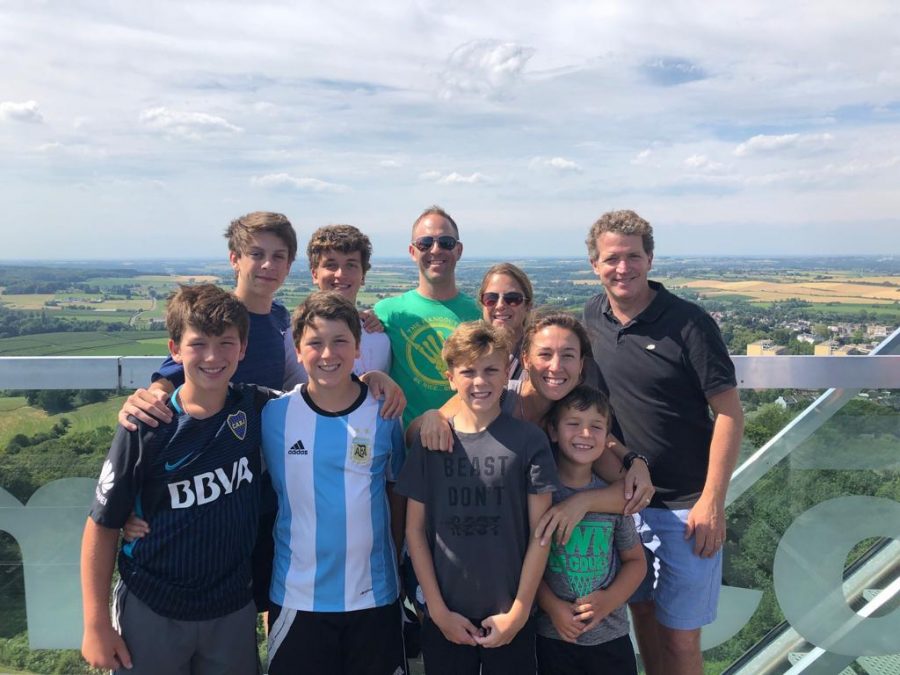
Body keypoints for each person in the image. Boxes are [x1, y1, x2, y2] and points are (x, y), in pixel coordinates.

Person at [80, 284, 276, 674]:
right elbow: (100, 526)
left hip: (232, 609)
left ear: (243, 349)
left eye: (226, 343)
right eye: (198, 344)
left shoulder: (258, 407)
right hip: (153, 605)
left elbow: (318, 399)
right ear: (174, 349)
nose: (212, 356)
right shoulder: (147, 424)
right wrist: (96, 624)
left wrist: (373, 379)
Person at [583, 209, 744, 675]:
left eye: (633, 256)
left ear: (650, 259)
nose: (623, 268)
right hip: (624, 503)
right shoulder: (592, 318)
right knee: (644, 621)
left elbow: (730, 414)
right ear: (595, 264)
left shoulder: (689, 323)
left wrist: (713, 500)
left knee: (680, 642)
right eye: (611, 258)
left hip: (685, 509)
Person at [118, 212, 403, 430]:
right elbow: (177, 368)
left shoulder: (281, 318)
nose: (268, 265)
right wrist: (151, 397)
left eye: (278, 256)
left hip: (267, 452)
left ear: (289, 265)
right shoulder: (217, 317)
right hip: (212, 449)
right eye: (257, 254)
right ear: (235, 259)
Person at [397, 321, 557, 675]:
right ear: (451, 378)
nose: (480, 381)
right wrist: (437, 611)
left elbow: (540, 534)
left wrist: (518, 611)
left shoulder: (530, 442)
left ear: (507, 373)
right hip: (445, 613)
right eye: (468, 371)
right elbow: (415, 532)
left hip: (511, 613)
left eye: (490, 370)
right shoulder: (431, 442)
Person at [261, 291, 407, 675]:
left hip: (374, 596)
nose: (328, 354)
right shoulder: (272, 414)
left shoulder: (385, 412)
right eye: (315, 343)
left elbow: (398, 495)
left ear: (358, 348)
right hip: (297, 598)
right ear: (297, 350)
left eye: (341, 341)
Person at [412, 311, 654, 520]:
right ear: (525, 359)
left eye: (568, 355)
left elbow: (630, 492)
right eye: (545, 355)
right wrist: (433, 416)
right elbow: (412, 435)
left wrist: (582, 502)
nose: (556, 366)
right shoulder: (494, 398)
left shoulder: (575, 419)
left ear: (581, 364)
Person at [535, 385, 646, 675]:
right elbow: (524, 565)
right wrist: (553, 607)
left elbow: (636, 561)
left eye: (596, 426)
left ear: (607, 438)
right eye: (573, 423)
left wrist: (609, 600)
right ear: (553, 431)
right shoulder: (539, 497)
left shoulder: (612, 498)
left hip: (611, 638)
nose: (585, 434)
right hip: (551, 637)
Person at [374, 205, 481, 426]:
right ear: (413, 252)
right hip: (407, 447)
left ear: (458, 250)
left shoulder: (479, 313)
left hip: (466, 443)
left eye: (446, 243)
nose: (435, 250)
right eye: (425, 243)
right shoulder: (387, 312)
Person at [305, 223, 391, 376]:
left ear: (363, 275)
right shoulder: (293, 336)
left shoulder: (380, 340)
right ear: (314, 274)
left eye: (351, 265)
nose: (340, 274)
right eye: (331, 265)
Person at [477, 262, 533, 380]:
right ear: (482, 303)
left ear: (528, 306)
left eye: (512, 299)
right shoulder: (471, 353)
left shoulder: (538, 355)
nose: (500, 305)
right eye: (491, 299)